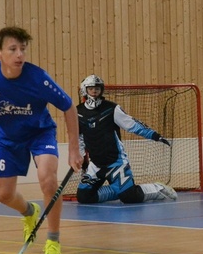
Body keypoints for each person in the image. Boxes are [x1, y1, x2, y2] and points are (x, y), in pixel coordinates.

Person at [0, 26, 83, 254]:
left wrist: (74, 149)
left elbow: (69, 106)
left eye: (23, 49)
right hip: (9, 140)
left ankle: (53, 241)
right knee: (4, 195)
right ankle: (29, 212)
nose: (19, 54)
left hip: (41, 134)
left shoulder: (38, 78)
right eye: (13, 49)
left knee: (48, 180)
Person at [75, 75, 178, 204]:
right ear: (84, 90)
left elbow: (132, 125)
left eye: (97, 89)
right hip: (95, 165)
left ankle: (158, 188)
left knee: (130, 197)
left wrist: (154, 135)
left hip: (116, 163)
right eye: (91, 89)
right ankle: (122, 191)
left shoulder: (112, 109)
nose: (94, 91)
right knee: (84, 197)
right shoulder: (77, 112)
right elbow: (79, 137)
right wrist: (81, 157)